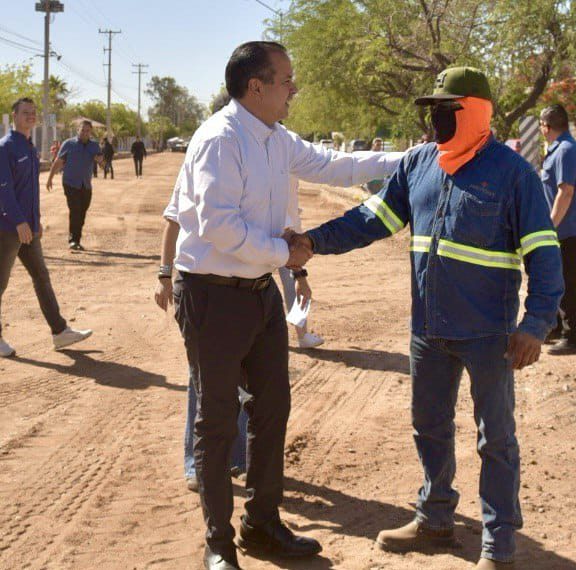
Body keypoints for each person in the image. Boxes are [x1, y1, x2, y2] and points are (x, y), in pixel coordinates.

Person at [290, 67, 563, 570]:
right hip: (429, 329)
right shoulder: (419, 163)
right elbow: (372, 218)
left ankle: (499, 546)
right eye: (433, 108)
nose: (435, 118)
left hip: (490, 334)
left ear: (475, 111)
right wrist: (312, 242)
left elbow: (545, 255)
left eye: (447, 108)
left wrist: (535, 323)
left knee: (495, 438)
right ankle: (435, 519)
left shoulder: (513, 174)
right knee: (428, 426)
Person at [171, 41, 401, 570]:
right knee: (216, 422)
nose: (293, 88)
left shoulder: (276, 138)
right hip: (212, 295)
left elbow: (336, 165)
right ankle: (218, 543)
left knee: (272, 409)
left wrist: (411, 158)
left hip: (259, 295)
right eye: (286, 80)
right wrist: (286, 252)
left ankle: (262, 526)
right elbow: (217, 227)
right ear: (257, 86)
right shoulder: (220, 140)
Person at [153, 172, 248, 493]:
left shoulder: (252, 167)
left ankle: (237, 457)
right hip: (200, 290)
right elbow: (172, 222)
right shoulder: (197, 169)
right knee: (202, 378)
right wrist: (164, 275)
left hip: (247, 289)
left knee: (244, 376)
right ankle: (196, 463)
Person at [0, 98, 93, 358]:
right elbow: (4, 190)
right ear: (14, 115)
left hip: (28, 228)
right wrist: (18, 221)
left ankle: (60, 332)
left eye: (33, 113)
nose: (30, 116)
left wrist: (35, 219)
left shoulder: (29, 147)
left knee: (41, 277)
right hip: (7, 228)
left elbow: (30, 191)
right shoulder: (6, 147)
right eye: (25, 112)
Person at [538, 104, 576, 354]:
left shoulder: (566, 150)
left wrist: (550, 227)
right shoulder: (559, 149)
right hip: (561, 229)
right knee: (556, 280)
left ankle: (573, 335)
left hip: (566, 230)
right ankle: (556, 327)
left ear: (546, 127)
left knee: (567, 282)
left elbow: (565, 192)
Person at [277, 177, 324, 348]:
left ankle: (302, 334)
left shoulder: (290, 158)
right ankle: (302, 335)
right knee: (294, 283)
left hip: (290, 233)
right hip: (281, 234)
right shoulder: (279, 157)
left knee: (294, 284)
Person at [45, 119, 103, 251]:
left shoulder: (94, 146)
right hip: (70, 183)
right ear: (78, 130)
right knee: (75, 210)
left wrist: (101, 162)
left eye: (87, 131)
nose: (84, 133)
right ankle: (73, 240)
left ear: (90, 132)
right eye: (82, 130)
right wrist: (50, 178)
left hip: (86, 185)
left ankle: (76, 237)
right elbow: (58, 162)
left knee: (82, 212)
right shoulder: (68, 144)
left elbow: (102, 163)